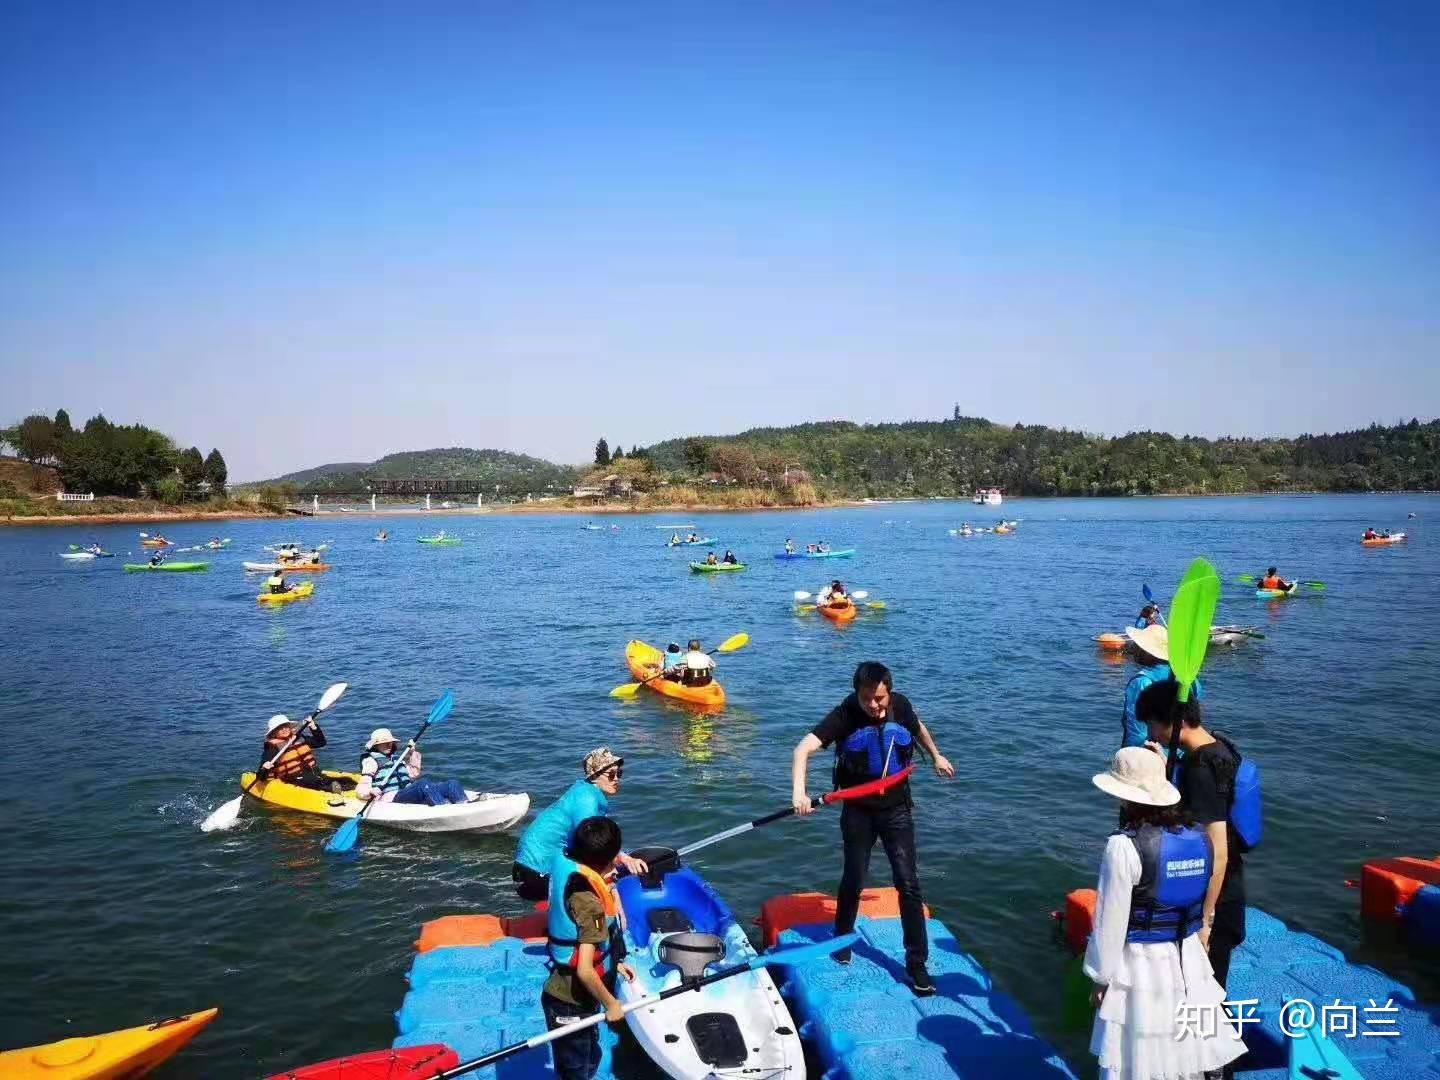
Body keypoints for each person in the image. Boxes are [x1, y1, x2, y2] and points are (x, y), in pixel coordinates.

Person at [790, 661, 955, 995]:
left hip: (896, 810)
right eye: (868, 699)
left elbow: (918, 727)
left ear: (889, 692)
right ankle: (842, 937)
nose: (875, 705)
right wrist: (799, 792)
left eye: (880, 698)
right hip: (858, 812)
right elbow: (802, 749)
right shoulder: (846, 714)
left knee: (908, 884)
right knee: (854, 878)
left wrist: (936, 755)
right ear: (858, 694)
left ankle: (916, 964)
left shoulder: (901, 705)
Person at [1084, 746, 1245, 1080]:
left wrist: (1100, 978)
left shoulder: (1123, 845)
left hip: (1140, 964)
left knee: (1138, 1057)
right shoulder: (1200, 838)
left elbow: (1110, 921)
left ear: (1124, 797)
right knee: (1184, 1052)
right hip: (1188, 960)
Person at [1138, 679, 1250, 991]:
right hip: (1224, 886)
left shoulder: (1201, 768)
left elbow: (1219, 846)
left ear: (1173, 722)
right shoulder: (1218, 747)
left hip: (1218, 898)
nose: (1150, 733)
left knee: (1206, 994)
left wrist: (1206, 919)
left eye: (1152, 724)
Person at [541, 816, 637, 1080]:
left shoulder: (567, 862)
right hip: (569, 1003)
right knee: (576, 1067)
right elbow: (584, 969)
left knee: (591, 1052)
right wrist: (612, 1004)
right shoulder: (591, 906)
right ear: (606, 862)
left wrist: (614, 964)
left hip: (582, 997)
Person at [512, 749, 647, 903]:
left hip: (536, 861)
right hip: (536, 868)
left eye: (619, 774)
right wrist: (624, 859)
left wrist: (619, 857)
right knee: (592, 890)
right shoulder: (586, 800)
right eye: (611, 775)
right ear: (595, 776)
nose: (616, 779)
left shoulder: (586, 791)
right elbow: (594, 842)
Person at [1120, 625, 1202, 749]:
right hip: (1182, 755)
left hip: (1150, 755)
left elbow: (1136, 731)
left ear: (1149, 652)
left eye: (1139, 646)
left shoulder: (1141, 682)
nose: (1134, 649)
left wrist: (1128, 757)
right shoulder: (1190, 679)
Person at [358, 728, 468, 805]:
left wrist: (412, 752)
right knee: (423, 784)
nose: (388, 744)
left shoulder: (396, 759)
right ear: (375, 745)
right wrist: (369, 792)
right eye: (384, 742)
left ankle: (464, 804)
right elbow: (364, 783)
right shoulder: (371, 761)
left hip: (407, 792)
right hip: (391, 798)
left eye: (390, 742)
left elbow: (414, 774)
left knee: (451, 784)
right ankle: (442, 807)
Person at [257, 712, 338, 791]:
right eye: (279, 728)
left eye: (285, 726)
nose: (284, 729)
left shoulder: (299, 738)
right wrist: (264, 767)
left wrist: (314, 728)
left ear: (289, 727)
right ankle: (330, 789)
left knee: (345, 781)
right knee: (313, 782)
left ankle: (335, 787)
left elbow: (321, 742)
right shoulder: (272, 747)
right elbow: (261, 776)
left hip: (312, 773)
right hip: (292, 778)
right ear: (273, 732)